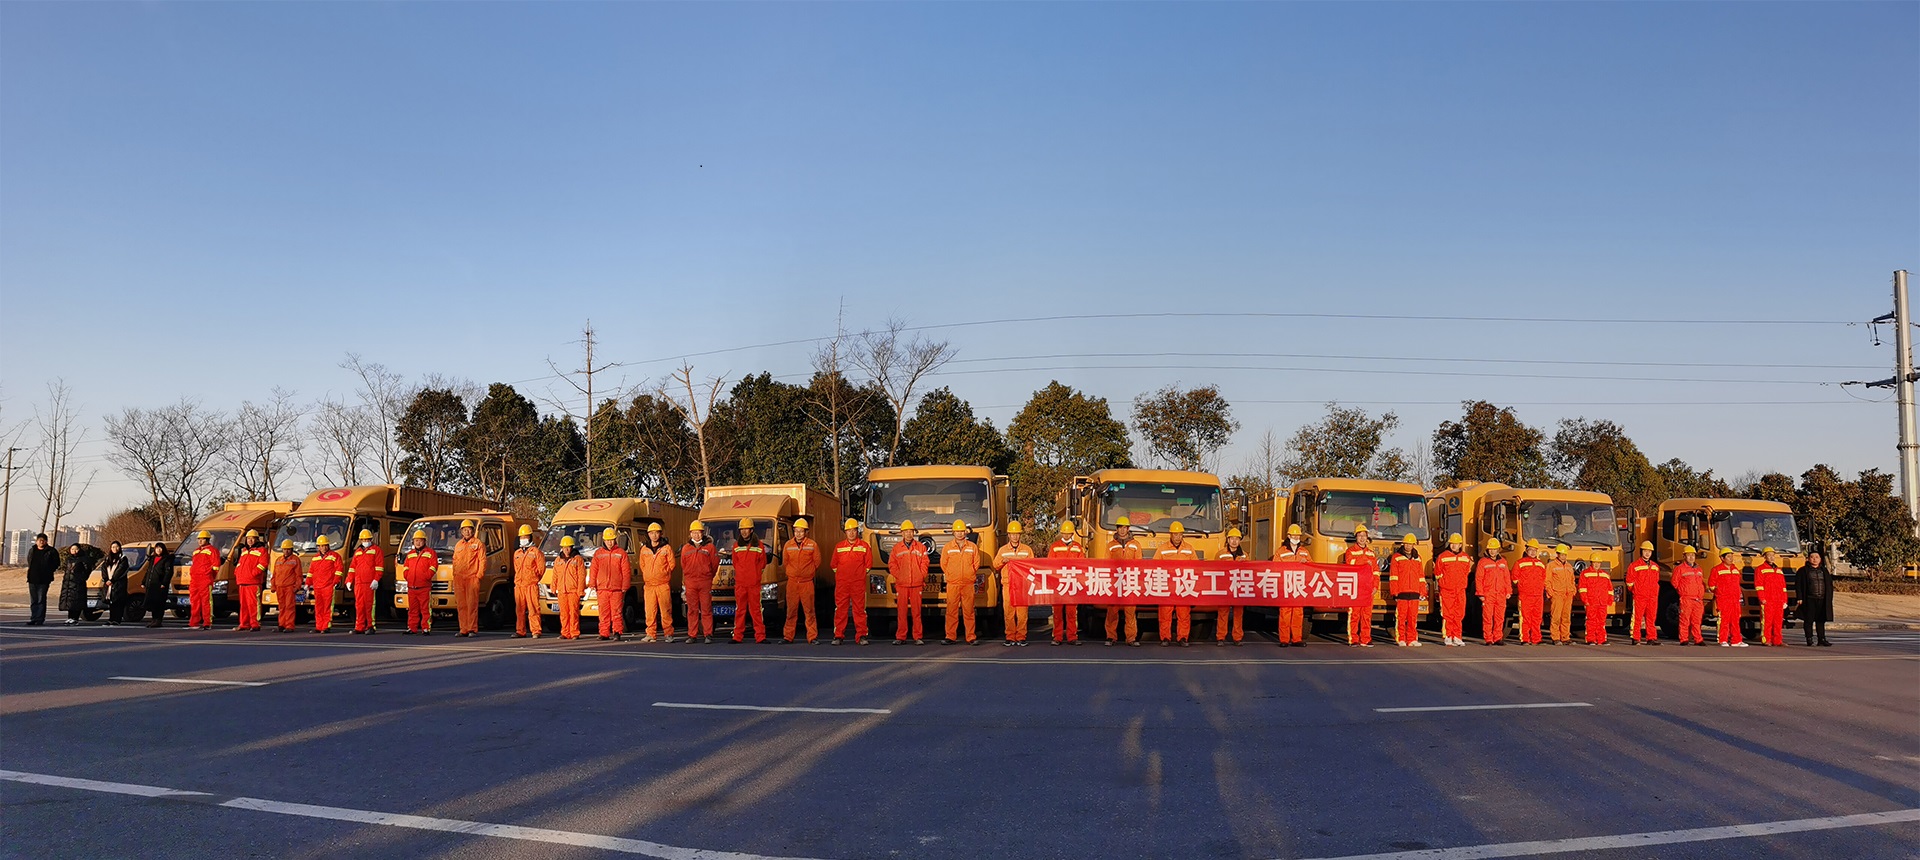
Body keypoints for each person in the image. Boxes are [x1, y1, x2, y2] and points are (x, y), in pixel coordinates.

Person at [1156, 522, 1199, 646]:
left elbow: (1196, 567)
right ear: (1171, 534)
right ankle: (1165, 638)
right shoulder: (1162, 549)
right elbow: (1154, 566)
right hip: (1167, 587)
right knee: (1165, 614)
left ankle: (1183, 638)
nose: (1177, 537)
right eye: (1175, 534)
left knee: (1184, 614)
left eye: (1180, 534)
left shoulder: (1189, 549)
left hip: (1183, 587)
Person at [996, 521, 1037, 646]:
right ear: (1008, 535)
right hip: (1008, 585)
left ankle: (1021, 636)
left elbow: (1033, 566)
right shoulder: (1002, 550)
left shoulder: (1027, 550)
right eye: (1012, 534)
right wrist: (1003, 561)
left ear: (1020, 535)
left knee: (1022, 613)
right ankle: (1010, 636)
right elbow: (995, 565)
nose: (1014, 536)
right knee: (1008, 612)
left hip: (1022, 585)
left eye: (1017, 534)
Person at [833, 518, 874, 645]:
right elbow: (834, 565)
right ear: (845, 532)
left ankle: (861, 635)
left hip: (858, 584)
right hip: (842, 584)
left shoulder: (864, 546)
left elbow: (869, 564)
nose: (851, 533)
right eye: (849, 530)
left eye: (854, 530)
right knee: (840, 610)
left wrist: (859, 575)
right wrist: (842, 576)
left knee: (859, 610)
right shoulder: (839, 547)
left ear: (858, 531)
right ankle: (838, 635)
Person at [782, 518, 821, 644]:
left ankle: (812, 637)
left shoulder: (812, 545)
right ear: (793, 531)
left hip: (806, 583)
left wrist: (807, 573)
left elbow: (817, 562)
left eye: (801, 531)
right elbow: (785, 562)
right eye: (796, 531)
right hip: (792, 583)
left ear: (806, 532)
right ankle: (788, 637)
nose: (798, 534)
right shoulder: (788, 545)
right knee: (791, 611)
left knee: (809, 611)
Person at [730, 519, 769, 644]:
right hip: (741, 584)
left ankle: (760, 636)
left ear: (751, 530)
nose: (744, 532)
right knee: (740, 610)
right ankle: (737, 636)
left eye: (746, 529)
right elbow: (735, 563)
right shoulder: (736, 546)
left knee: (756, 611)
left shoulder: (759, 546)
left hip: (754, 584)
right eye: (742, 529)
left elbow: (762, 563)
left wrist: (754, 575)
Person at [890, 520, 929, 645]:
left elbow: (925, 563)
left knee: (916, 612)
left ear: (914, 533)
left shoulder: (921, 547)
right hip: (902, 585)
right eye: (906, 531)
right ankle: (901, 637)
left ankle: (917, 636)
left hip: (916, 584)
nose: (908, 534)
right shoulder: (896, 548)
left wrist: (921, 575)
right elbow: (892, 564)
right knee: (901, 612)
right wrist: (899, 576)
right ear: (902, 533)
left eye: (910, 531)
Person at [638, 522, 677, 643]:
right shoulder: (644, 549)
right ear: (648, 534)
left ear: (660, 534)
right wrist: (649, 575)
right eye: (651, 533)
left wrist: (663, 573)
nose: (654, 535)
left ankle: (668, 634)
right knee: (650, 611)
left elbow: (672, 564)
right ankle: (650, 634)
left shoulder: (666, 548)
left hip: (662, 584)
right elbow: (642, 565)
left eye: (656, 532)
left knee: (665, 610)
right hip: (649, 585)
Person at [680, 522, 718, 644]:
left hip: (704, 582)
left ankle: (708, 634)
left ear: (703, 533)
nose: (696, 535)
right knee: (692, 610)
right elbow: (683, 565)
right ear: (690, 533)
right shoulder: (686, 548)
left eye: (699, 532)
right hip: (691, 583)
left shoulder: (710, 547)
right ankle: (692, 635)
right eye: (694, 532)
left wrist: (707, 576)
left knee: (706, 609)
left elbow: (714, 564)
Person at [1048, 522, 1086, 646]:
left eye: (1068, 532)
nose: (1066, 534)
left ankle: (1072, 637)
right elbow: (1049, 565)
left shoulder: (1077, 547)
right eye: (1064, 532)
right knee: (1057, 612)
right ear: (1062, 533)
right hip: (1058, 584)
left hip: (1072, 584)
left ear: (1072, 533)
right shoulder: (1055, 547)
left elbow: (1083, 564)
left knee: (1071, 612)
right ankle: (1057, 637)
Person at [1105, 523, 1143, 647]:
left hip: (1130, 582)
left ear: (1128, 529)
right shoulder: (1110, 545)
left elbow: (1139, 564)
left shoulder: (1135, 545)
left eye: (1124, 527)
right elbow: (1106, 563)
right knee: (1112, 611)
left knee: (1130, 611)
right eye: (1120, 527)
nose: (1122, 530)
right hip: (1115, 582)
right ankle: (1111, 636)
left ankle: (1131, 638)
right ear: (1117, 529)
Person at [1341, 526, 1379, 647]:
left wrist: (1375, 587)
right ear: (1356, 537)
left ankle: (1366, 638)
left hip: (1368, 589)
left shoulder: (1371, 554)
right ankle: (1353, 638)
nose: (1362, 538)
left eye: (1364, 536)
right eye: (1360, 535)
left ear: (1367, 538)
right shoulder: (1350, 551)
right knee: (1354, 614)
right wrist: (1363, 561)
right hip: (1355, 588)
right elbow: (1350, 564)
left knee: (1367, 615)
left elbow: (1376, 572)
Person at [589, 527, 630, 641]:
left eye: (611, 540)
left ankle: (617, 632)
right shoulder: (598, 553)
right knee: (603, 613)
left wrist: (625, 585)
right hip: (602, 588)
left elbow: (626, 571)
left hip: (616, 589)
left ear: (615, 539)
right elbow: (594, 569)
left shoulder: (621, 553)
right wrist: (592, 583)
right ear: (604, 540)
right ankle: (604, 633)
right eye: (607, 540)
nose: (609, 542)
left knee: (616, 612)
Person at [1433, 533, 1472, 647]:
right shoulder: (1443, 556)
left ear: (1460, 544)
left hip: (1460, 589)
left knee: (1459, 613)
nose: (1454, 546)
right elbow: (1437, 573)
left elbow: (1467, 571)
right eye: (1452, 544)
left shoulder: (1465, 557)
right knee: (1448, 613)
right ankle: (1448, 636)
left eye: (1457, 544)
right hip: (1447, 590)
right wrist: (1443, 584)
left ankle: (1457, 636)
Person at [1275, 525, 1311, 646]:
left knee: (1298, 614)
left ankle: (1297, 639)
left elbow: (1312, 568)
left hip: (1299, 587)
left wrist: (1307, 563)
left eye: (1298, 536)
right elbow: (1275, 568)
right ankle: (1284, 639)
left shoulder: (1305, 552)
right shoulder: (1281, 551)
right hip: (1285, 586)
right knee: (1285, 613)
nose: (1296, 537)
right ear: (1288, 536)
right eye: (1293, 535)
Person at [1388, 535, 1424, 647]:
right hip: (1402, 592)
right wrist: (1394, 591)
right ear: (1403, 544)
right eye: (1407, 544)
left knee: (1413, 617)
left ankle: (1412, 639)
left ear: (1414, 545)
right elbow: (1393, 576)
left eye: (1411, 544)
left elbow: (1421, 576)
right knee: (1401, 617)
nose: (1408, 546)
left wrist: (1422, 591)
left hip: (1414, 591)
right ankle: (1401, 638)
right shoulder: (1396, 557)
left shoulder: (1418, 558)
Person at [451, 520, 485, 638]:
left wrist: (478, 575)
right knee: (461, 605)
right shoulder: (458, 545)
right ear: (461, 531)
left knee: (472, 605)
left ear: (473, 530)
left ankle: (472, 629)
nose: (467, 531)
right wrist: (454, 575)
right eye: (464, 529)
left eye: (469, 529)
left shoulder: (478, 543)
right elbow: (455, 561)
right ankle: (463, 629)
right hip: (459, 579)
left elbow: (482, 560)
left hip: (472, 578)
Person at [231, 530, 270, 632]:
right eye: (248, 538)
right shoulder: (244, 550)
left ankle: (255, 624)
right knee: (243, 605)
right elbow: (239, 563)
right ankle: (244, 624)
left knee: (253, 605)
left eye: (252, 538)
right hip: (242, 582)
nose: (250, 540)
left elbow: (263, 564)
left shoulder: (262, 550)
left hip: (253, 582)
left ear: (257, 539)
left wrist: (253, 574)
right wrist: (237, 572)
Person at [1474, 539, 1511, 645]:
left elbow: (1506, 578)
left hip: (1500, 594)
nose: (1492, 552)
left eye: (1494, 549)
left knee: (1499, 617)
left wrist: (1508, 591)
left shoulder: (1503, 562)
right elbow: (1479, 578)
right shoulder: (1483, 562)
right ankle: (1488, 638)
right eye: (1491, 549)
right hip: (1488, 594)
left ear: (1498, 549)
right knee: (1487, 617)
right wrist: (1480, 594)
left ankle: (1498, 637)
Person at [1215, 528, 1247, 646]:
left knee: (1238, 614)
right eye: (1232, 538)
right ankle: (1220, 637)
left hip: (1239, 588)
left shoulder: (1244, 556)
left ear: (1240, 541)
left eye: (1237, 539)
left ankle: (1237, 638)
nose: (1234, 541)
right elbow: (1215, 571)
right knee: (1223, 613)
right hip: (1225, 588)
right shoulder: (1221, 554)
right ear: (1228, 540)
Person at [401, 531, 437, 635]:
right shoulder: (410, 554)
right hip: (412, 587)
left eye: (420, 540)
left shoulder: (430, 553)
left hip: (424, 587)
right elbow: (405, 567)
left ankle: (426, 628)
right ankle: (412, 628)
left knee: (425, 609)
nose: (418, 542)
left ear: (424, 541)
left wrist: (426, 576)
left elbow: (433, 567)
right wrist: (407, 576)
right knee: (412, 610)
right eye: (416, 540)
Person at [513, 525, 545, 639]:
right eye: (521, 537)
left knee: (533, 609)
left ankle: (536, 630)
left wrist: (534, 578)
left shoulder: (536, 552)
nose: (523, 539)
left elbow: (541, 569)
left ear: (530, 537)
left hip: (531, 585)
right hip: (519, 585)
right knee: (519, 610)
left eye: (526, 536)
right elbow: (516, 568)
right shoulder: (517, 553)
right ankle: (520, 630)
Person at [1626, 541, 1662, 645]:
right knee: (1637, 617)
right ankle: (1635, 637)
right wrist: (1637, 591)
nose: (1647, 553)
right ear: (1641, 551)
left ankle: (1651, 638)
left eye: (1649, 551)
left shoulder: (1655, 566)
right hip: (1640, 596)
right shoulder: (1634, 566)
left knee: (1651, 618)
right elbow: (1629, 582)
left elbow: (1656, 580)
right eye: (1645, 551)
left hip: (1652, 597)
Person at [1512, 540, 1547, 646]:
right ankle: (1525, 638)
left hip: (1538, 595)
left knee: (1537, 618)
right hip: (1525, 595)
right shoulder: (1520, 563)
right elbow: (1514, 578)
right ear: (1526, 550)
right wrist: (1523, 586)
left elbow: (1544, 579)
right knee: (1525, 618)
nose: (1532, 552)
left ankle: (1536, 638)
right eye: (1530, 550)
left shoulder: (1541, 564)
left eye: (1534, 550)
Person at [349, 528, 383, 635]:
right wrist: (349, 580)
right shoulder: (358, 552)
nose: (365, 541)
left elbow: (379, 567)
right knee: (359, 605)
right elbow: (352, 567)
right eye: (363, 539)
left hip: (370, 583)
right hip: (359, 583)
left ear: (371, 539)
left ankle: (370, 626)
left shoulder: (376, 550)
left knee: (369, 605)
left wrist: (376, 580)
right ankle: (359, 627)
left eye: (367, 539)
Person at [552, 536, 587, 640]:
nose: (566, 549)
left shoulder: (578, 559)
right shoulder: (558, 560)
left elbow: (581, 575)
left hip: (573, 591)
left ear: (572, 547)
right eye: (564, 547)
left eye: (568, 547)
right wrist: (553, 587)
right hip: (562, 590)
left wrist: (580, 590)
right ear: (561, 548)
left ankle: (574, 632)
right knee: (563, 613)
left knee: (573, 612)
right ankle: (565, 632)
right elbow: (555, 575)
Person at [1796, 550, 1834, 646]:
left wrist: (1829, 598)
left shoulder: (1824, 571)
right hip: (1809, 599)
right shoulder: (1802, 571)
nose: (1814, 559)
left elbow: (1829, 585)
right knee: (1808, 620)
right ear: (1808, 559)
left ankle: (1821, 639)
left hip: (1822, 599)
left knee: (1820, 620)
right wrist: (1799, 597)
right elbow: (1798, 585)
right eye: (1812, 557)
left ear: (1820, 559)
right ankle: (1809, 638)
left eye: (1817, 557)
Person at [1711, 548, 1748, 647]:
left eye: (1731, 556)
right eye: (1728, 556)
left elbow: (1737, 584)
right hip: (1724, 599)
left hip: (1735, 600)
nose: (1731, 559)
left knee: (1735, 620)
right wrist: (1720, 592)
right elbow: (1711, 585)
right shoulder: (1717, 569)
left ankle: (1736, 640)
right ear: (1722, 558)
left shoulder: (1735, 569)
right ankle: (1722, 639)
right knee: (1724, 620)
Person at [1673, 546, 1707, 645]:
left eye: (1693, 555)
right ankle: (1684, 639)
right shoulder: (1680, 569)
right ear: (1684, 556)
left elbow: (1701, 582)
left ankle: (1698, 639)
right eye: (1689, 555)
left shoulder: (1699, 569)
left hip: (1698, 599)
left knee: (1697, 621)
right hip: (1687, 598)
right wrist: (1683, 591)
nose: (1691, 557)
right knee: (1685, 620)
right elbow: (1674, 582)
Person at [308, 535, 342, 634]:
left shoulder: (334, 556)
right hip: (317, 586)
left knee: (327, 607)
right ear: (318, 547)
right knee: (318, 608)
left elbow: (339, 570)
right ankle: (319, 626)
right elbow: (311, 572)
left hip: (328, 586)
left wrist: (335, 582)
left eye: (325, 545)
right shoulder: (315, 558)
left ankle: (326, 626)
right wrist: (308, 583)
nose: (323, 548)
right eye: (321, 546)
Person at [1578, 550, 1614, 645]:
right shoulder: (1585, 574)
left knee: (1601, 622)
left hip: (1602, 602)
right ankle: (1591, 639)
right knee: (1591, 621)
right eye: (1595, 562)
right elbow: (1582, 588)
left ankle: (1601, 639)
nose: (1597, 564)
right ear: (1591, 563)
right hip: (1591, 602)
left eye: (1598, 563)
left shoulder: (1605, 575)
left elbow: (1610, 589)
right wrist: (1585, 600)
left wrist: (1609, 600)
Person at [1754, 548, 1788, 647]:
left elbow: (1783, 587)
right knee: (1767, 621)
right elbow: (1758, 585)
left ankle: (1777, 640)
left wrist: (1784, 600)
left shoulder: (1779, 570)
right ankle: (1766, 639)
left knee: (1778, 622)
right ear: (1764, 556)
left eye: (1773, 555)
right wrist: (1762, 598)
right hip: (1767, 600)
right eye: (1769, 555)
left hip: (1778, 601)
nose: (1772, 557)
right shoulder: (1760, 569)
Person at [187, 530, 221, 630]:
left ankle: (207, 622)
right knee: (194, 601)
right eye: (199, 539)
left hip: (205, 579)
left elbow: (216, 566)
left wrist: (209, 576)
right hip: (195, 580)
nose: (200, 541)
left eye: (202, 539)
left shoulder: (213, 550)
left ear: (207, 540)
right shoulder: (196, 551)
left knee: (206, 602)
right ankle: (194, 622)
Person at [1545, 543, 1578, 645]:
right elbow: (1547, 581)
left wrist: (1573, 591)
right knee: (1556, 617)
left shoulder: (1569, 566)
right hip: (1557, 594)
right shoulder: (1551, 566)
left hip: (1568, 595)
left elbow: (1572, 580)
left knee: (1566, 617)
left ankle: (1565, 637)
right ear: (1557, 554)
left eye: (1565, 555)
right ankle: (1555, 637)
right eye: (1562, 554)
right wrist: (1551, 593)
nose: (1563, 556)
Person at [25, 533, 59, 626]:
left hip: (44, 579)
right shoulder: (33, 550)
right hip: (32, 579)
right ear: (36, 541)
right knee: (33, 600)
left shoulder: (51, 551)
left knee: (41, 599)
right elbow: (29, 560)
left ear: (46, 541)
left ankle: (40, 619)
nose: (41, 542)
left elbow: (56, 563)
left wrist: (48, 570)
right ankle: (33, 618)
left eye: (43, 540)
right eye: (39, 540)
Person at [272, 540, 304, 633]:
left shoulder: (295, 560)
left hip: (289, 587)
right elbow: (275, 574)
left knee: (289, 607)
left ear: (292, 549)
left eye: (288, 549)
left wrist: (296, 587)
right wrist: (273, 586)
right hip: (279, 587)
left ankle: (289, 625)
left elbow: (299, 575)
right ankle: (281, 624)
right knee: (281, 607)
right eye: (285, 549)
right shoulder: (278, 560)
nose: (286, 551)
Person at [141, 542, 172, 628]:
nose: (158, 550)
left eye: (160, 548)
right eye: (157, 548)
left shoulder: (167, 559)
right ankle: (153, 620)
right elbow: (148, 571)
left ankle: (158, 620)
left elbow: (168, 572)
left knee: (159, 603)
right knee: (152, 603)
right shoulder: (152, 558)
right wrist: (144, 582)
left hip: (160, 585)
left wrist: (164, 583)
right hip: (151, 584)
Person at [99, 542, 131, 626]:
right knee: (111, 602)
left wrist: (112, 580)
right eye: (113, 547)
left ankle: (117, 619)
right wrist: (106, 579)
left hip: (118, 584)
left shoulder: (123, 558)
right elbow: (103, 569)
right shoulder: (107, 559)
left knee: (118, 602)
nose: (115, 549)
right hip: (109, 584)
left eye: (117, 547)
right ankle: (111, 619)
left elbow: (121, 570)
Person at [59, 543, 91, 625]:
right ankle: (70, 617)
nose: (74, 551)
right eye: (72, 549)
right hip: (68, 583)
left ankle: (75, 618)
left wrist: (81, 578)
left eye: (76, 549)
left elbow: (87, 570)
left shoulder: (83, 559)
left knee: (77, 601)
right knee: (69, 600)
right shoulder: (69, 559)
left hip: (78, 583)